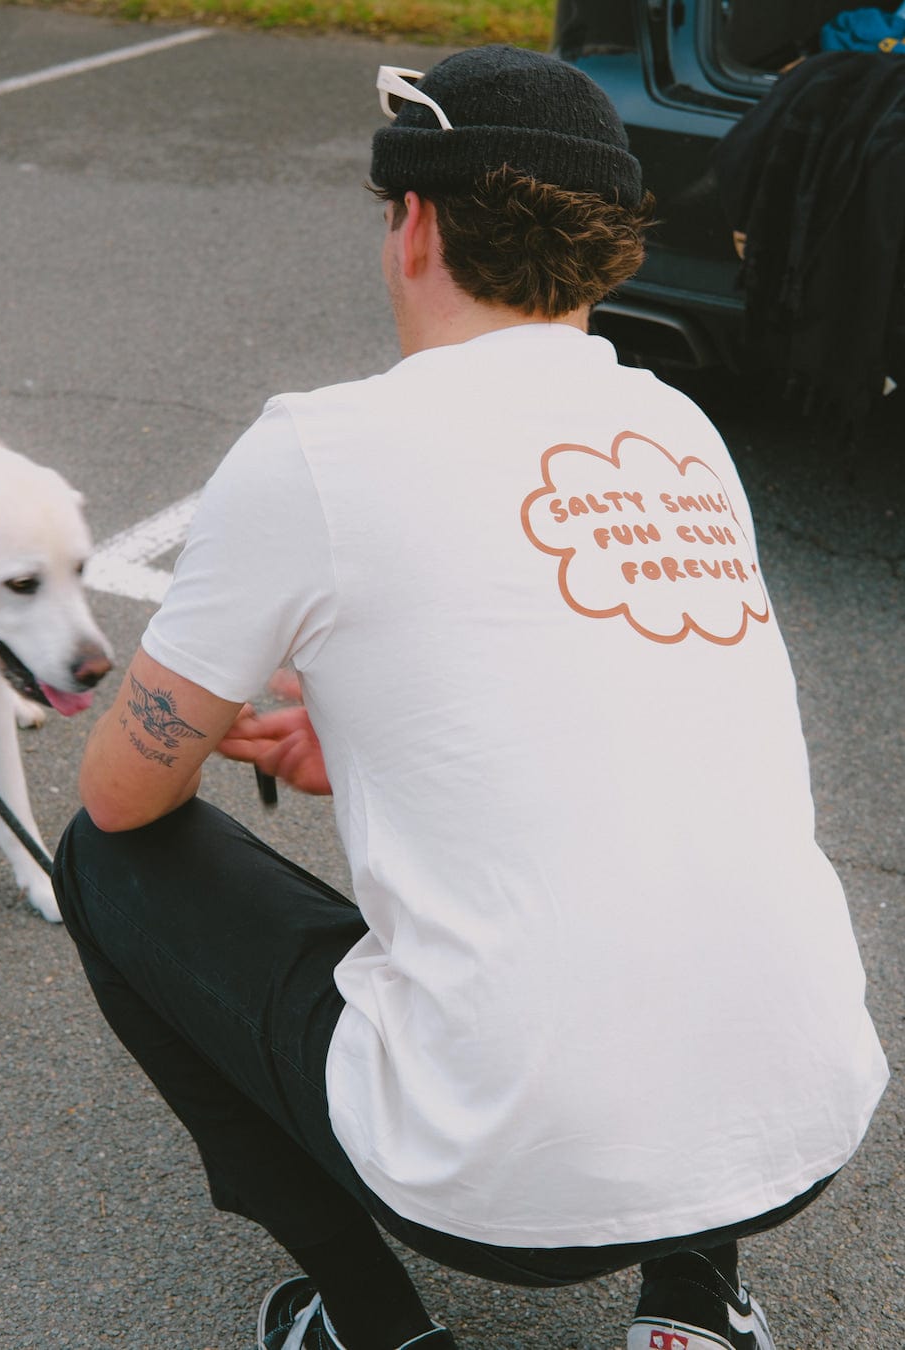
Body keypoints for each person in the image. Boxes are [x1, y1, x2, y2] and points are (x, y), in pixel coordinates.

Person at [52, 45, 888, 1350]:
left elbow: (120, 787)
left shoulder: (316, 453)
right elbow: (608, 689)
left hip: (496, 1191)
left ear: (416, 222)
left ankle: (372, 1323)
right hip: (800, 1120)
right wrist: (372, 719)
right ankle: (693, 1305)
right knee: (684, 811)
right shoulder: (676, 435)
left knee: (103, 858)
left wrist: (204, 714)